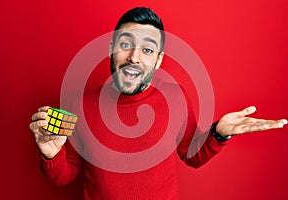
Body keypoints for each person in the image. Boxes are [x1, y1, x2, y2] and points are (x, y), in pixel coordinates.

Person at [29, 7, 287, 200]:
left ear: (159, 60)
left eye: (147, 50)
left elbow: (192, 155)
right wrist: (50, 153)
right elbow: (65, 175)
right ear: (111, 48)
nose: (134, 57)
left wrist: (218, 134)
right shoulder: (81, 105)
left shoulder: (175, 97)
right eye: (126, 45)